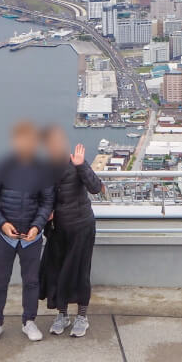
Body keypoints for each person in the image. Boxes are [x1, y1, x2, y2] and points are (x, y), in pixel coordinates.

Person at [0, 119, 57, 344]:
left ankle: (29, 321)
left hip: (31, 238)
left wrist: (37, 227)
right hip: (4, 235)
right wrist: (2, 224)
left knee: (31, 281)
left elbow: (47, 201)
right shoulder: (1, 166)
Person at [39, 126, 104, 338]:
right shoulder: (46, 168)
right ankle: (63, 314)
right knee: (58, 272)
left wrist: (81, 165)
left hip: (81, 226)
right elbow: (42, 197)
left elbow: (96, 187)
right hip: (58, 230)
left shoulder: (76, 162)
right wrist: (46, 213)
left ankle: (82, 317)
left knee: (80, 272)